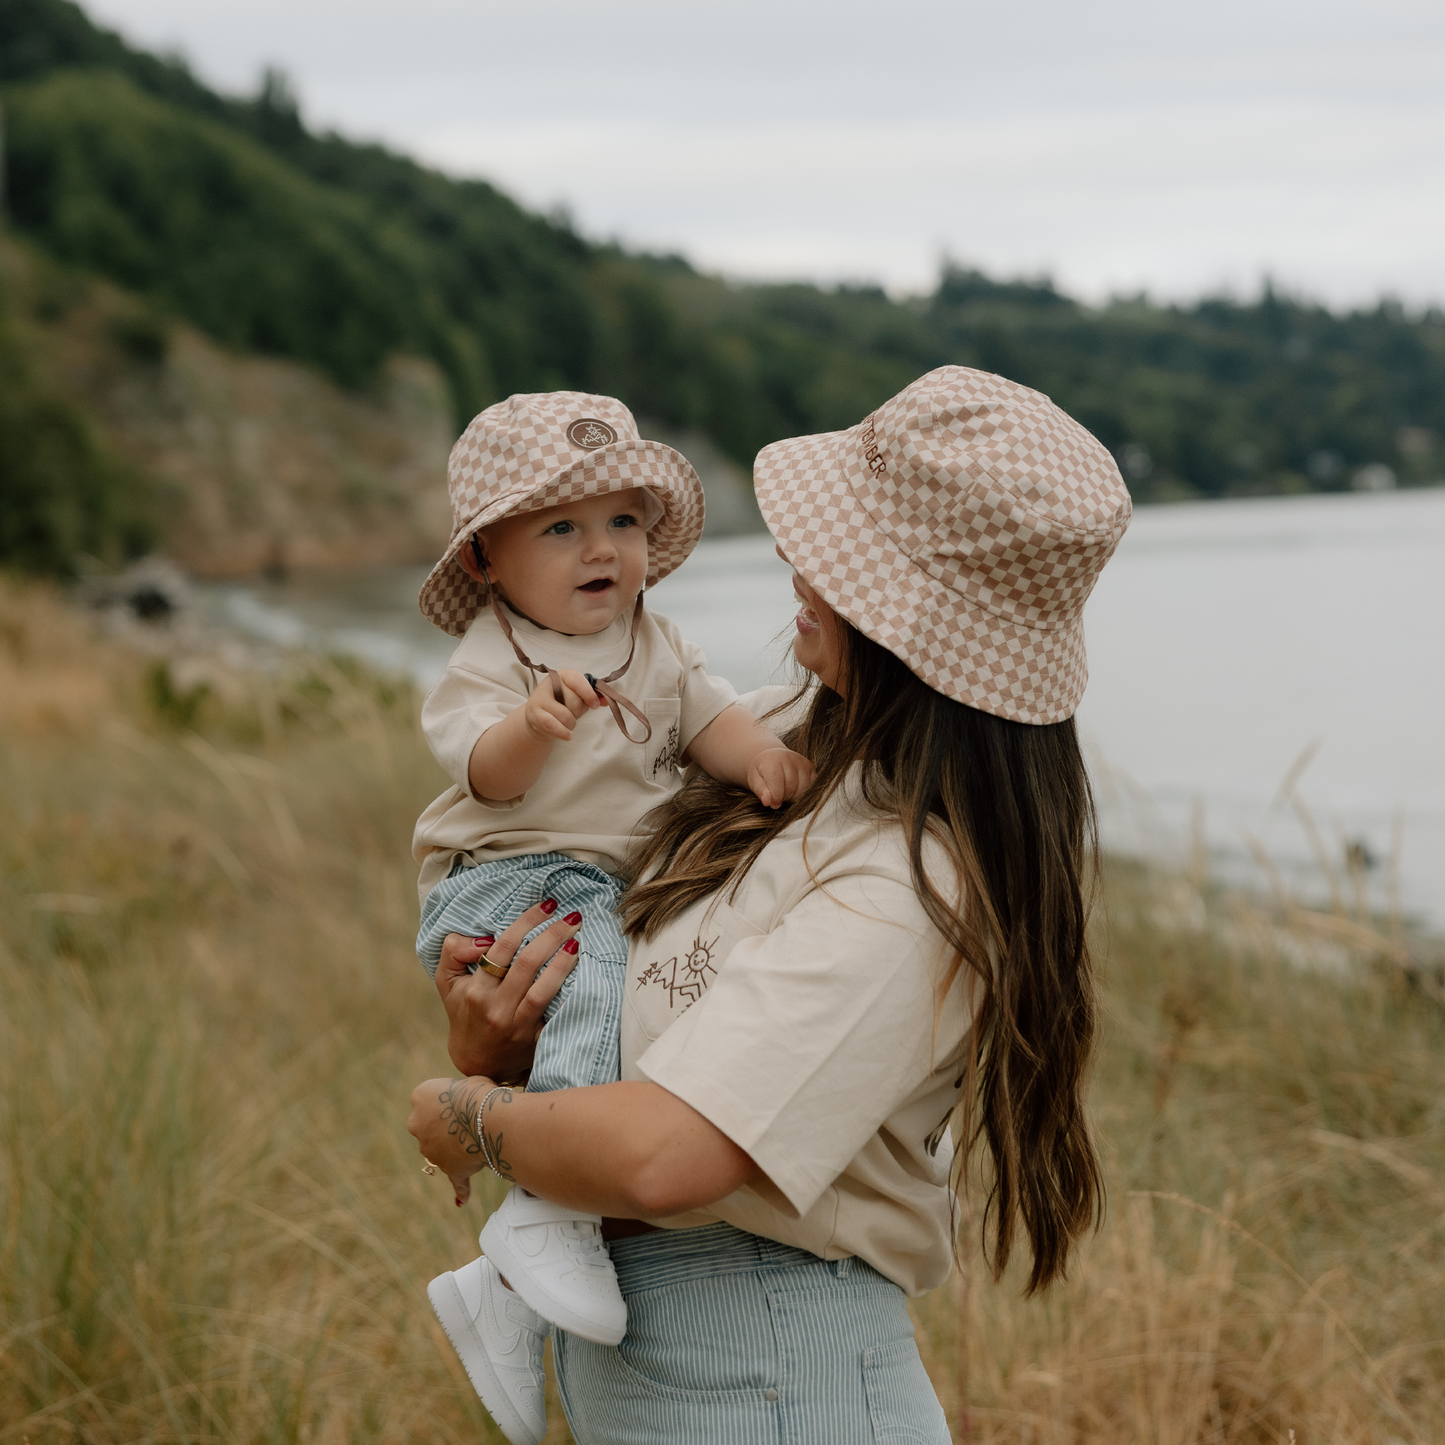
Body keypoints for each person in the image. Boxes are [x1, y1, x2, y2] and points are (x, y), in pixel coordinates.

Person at [408, 365, 1133, 1444]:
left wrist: (462, 1115)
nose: (797, 562)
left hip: (775, 1376)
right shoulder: (783, 732)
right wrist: (491, 1037)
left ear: (908, 620)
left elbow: (667, 1152)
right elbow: (603, 971)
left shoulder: (916, 886)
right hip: (688, 1380)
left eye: (839, 554)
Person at [410, 391, 813, 1443]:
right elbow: (486, 780)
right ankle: (548, 1206)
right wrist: (530, 725)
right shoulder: (492, 658)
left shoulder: (654, 636)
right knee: (592, 944)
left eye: (622, 522)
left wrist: (756, 757)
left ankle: (515, 1260)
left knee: (621, 959)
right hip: (502, 875)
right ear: (488, 561)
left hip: (599, 881)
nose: (603, 549)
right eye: (561, 527)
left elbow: (709, 714)